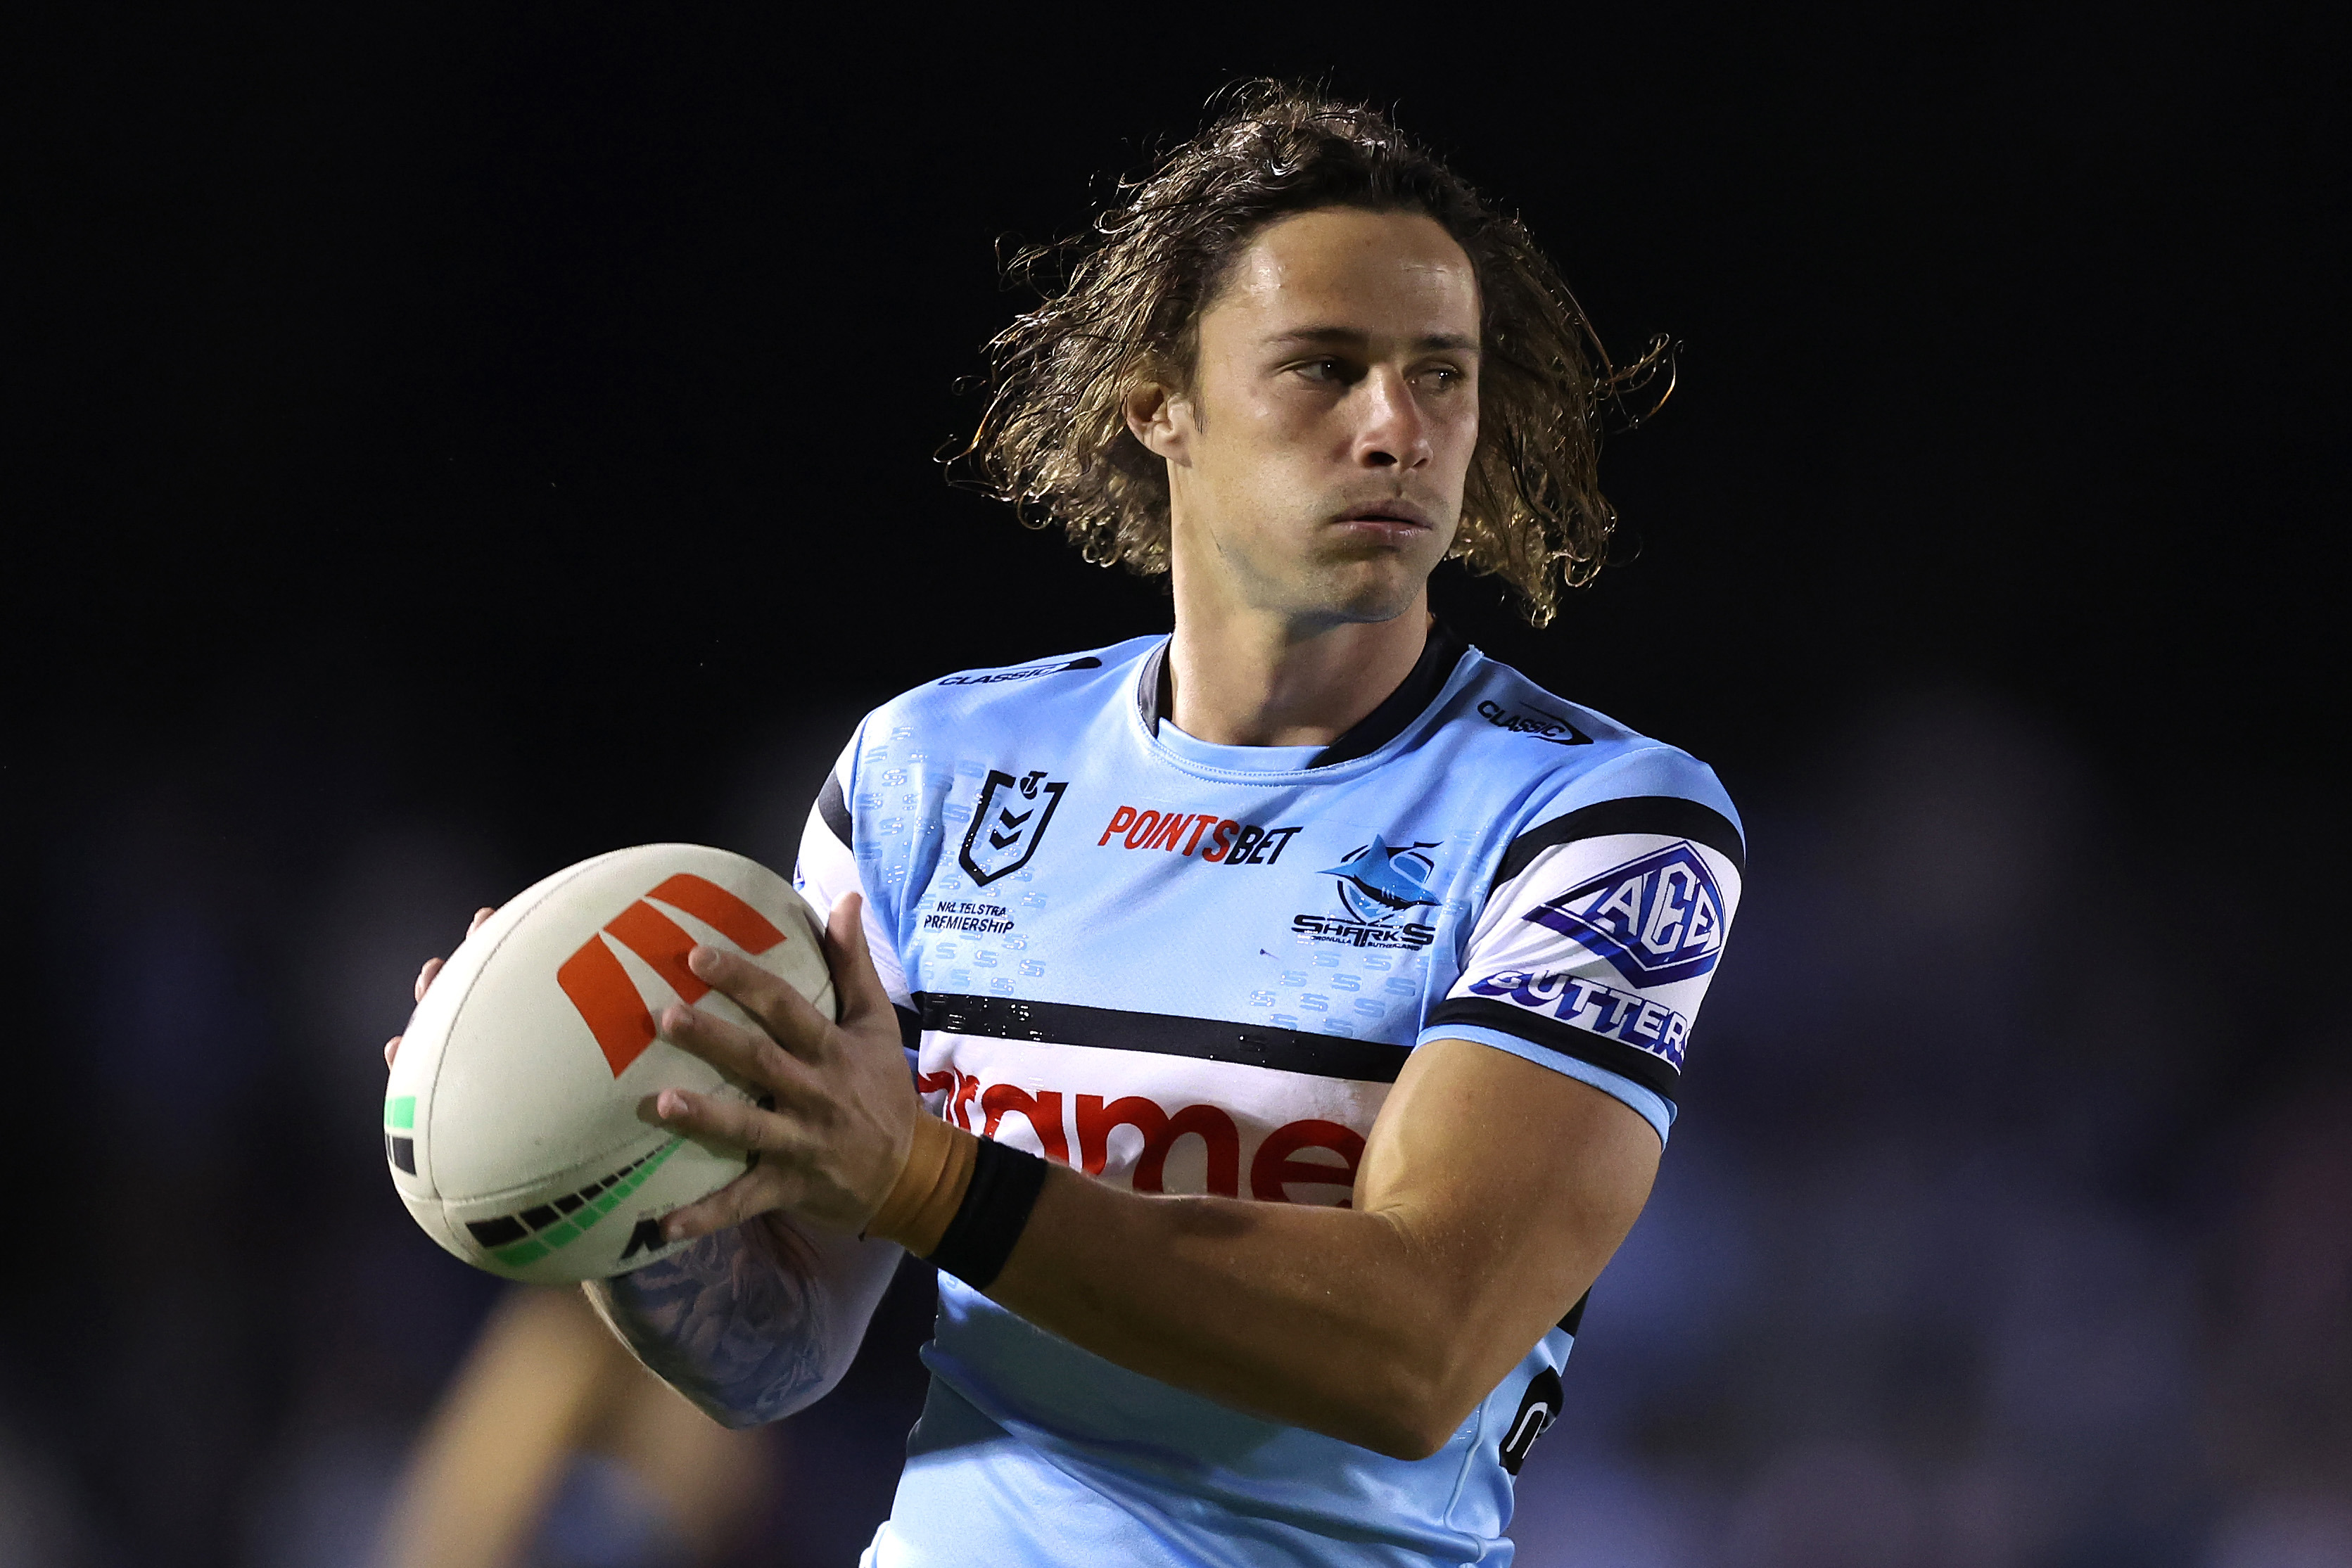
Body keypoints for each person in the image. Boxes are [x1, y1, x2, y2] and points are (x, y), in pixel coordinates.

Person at [398, 83, 1743, 1567]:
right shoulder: (926, 774)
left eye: (1441, 372)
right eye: (1324, 367)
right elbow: (774, 1353)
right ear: (1157, 398)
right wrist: (605, 1146)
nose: (1395, 428)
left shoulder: (1595, 817)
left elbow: (1414, 1348)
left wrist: (922, 1175)